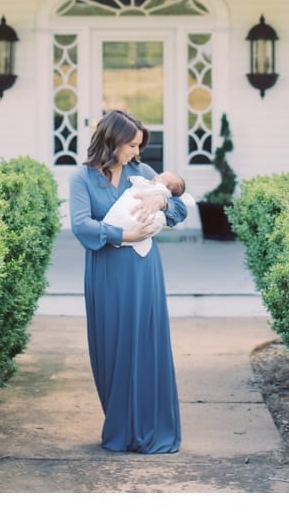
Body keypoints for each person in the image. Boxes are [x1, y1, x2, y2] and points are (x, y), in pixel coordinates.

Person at [68, 109, 187, 453]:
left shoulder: (143, 173)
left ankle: (150, 427)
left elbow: (180, 211)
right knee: (113, 344)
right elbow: (80, 225)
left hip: (144, 269)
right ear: (112, 141)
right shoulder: (82, 179)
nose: (137, 152)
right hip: (107, 271)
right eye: (132, 145)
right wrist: (123, 234)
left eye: (138, 145)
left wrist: (162, 199)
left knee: (145, 343)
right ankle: (121, 427)